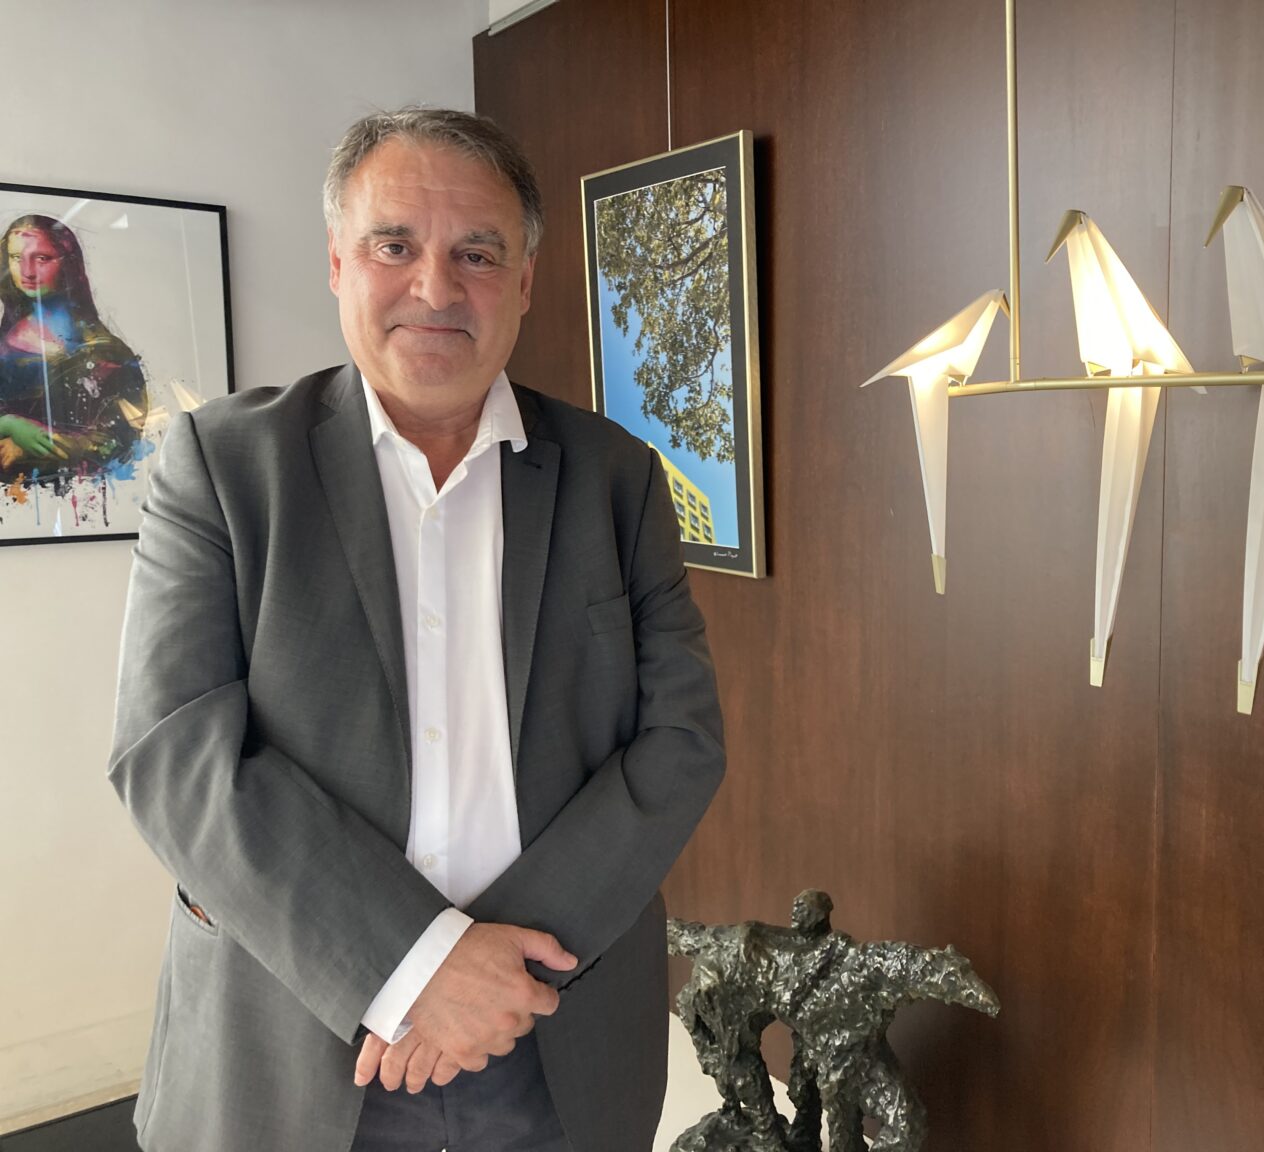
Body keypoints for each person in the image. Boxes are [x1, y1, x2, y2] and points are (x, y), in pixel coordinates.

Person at [108, 107, 726, 1152]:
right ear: (338, 264)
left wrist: (491, 977)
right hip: (289, 1048)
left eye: (477, 254)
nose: (436, 290)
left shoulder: (617, 479)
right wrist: (415, 965)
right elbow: (174, 755)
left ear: (524, 281)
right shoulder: (223, 467)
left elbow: (680, 742)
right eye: (394, 246)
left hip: (555, 1041)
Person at [0, 214, 147, 479]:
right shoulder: (4, 344)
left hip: (83, 492)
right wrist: (9, 425)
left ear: (68, 264)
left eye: (42, 258)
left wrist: (27, 449)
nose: (27, 271)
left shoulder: (106, 353)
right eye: (16, 257)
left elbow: (121, 440)